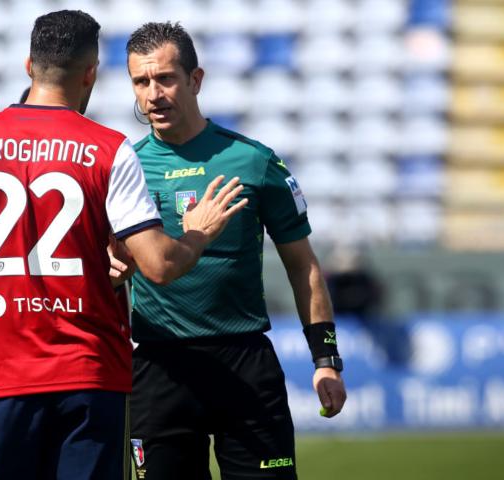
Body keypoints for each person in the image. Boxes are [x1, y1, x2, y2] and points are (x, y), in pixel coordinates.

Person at [0, 10, 246, 479]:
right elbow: (160, 266)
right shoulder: (110, 149)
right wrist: (198, 232)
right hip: (88, 378)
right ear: (90, 73)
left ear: (28, 66)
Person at [123, 22, 347, 480]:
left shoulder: (253, 160)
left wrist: (325, 360)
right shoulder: (125, 168)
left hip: (244, 364)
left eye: (164, 78)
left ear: (195, 80)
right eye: (141, 82)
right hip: (159, 368)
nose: (153, 95)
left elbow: (302, 265)